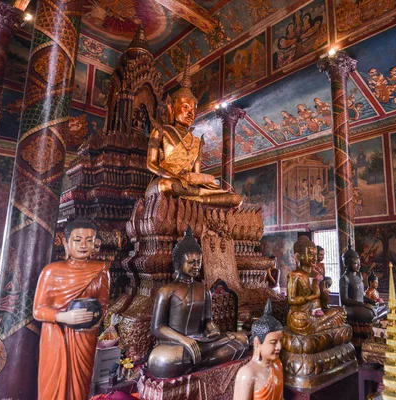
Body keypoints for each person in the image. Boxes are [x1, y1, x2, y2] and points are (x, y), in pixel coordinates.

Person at [147, 227, 248, 378]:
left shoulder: (203, 289)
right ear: (178, 263)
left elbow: (207, 320)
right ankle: (205, 359)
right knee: (161, 361)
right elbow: (157, 328)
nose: (196, 266)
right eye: (191, 262)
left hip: (201, 342)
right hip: (177, 345)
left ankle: (201, 359)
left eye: (199, 262)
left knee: (242, 340)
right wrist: (184, 340)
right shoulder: (166, 291)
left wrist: (211, 328)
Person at [145, 61, 242, 207]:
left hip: (189, 186)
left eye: (193, 109)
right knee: (169, 185)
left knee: (234, 199)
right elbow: (151, 164)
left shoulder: (196, 141)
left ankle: (194, 200)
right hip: (166, 183)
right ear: (172, 108)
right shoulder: (161, 131)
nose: (190, 113)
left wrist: (202, 181)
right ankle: (195, 201)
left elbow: (196, 174)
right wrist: (176, 177)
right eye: (185, 107)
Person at [33, 218, 110, 400]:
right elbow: (38, 310)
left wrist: (93, 320)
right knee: (52, 383)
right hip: (56, 335)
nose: (83, 245)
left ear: (95, 244)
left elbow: (103, 305)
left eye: (89, 240)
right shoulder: (51, 270)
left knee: (81, 385)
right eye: (77, 240)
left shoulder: (101, 270)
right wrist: (63, 317)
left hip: (85, 336)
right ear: (66, 243)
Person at [287, 236, 346, 335]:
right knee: (300, 321)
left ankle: (319, 327)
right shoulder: (294, 275)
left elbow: (322, 300)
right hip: (302, 314)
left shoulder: (316, 274)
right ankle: (321, 328)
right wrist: (312, 296)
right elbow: (291, 299)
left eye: (315, 254)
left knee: (341, 312)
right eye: (310, 254)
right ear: (298, 257)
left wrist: (324, 292)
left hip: (318, 312)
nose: (315, 258)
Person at [233, 300, 283, 400]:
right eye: (273, 342)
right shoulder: (247, 374)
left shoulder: (278, 365)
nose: (279, 347)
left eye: (281, 341)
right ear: (257, 342)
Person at [339, 243, 388, 323]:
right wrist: (360, 304)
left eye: (359, 263)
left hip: (362, 306)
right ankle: (374, 317)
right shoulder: (345, 278)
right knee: (369, 314)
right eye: (356, 263)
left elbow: (361, 295)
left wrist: (372, 302)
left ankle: (374, 317)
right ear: (347, 263)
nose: (359, 266)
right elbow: (344, 300)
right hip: (351, 308)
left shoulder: (359, 276)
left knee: (385, 308)